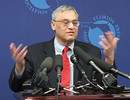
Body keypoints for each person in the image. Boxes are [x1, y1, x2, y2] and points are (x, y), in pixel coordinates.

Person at [9, 5, 119, 92]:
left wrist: (109, 59)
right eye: (65, 22)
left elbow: (108, 88)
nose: (71, 27)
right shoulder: (34, 52)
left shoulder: (91, 52)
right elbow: (17, 88)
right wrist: (19, 69)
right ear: (53, 25)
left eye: (75, 23)